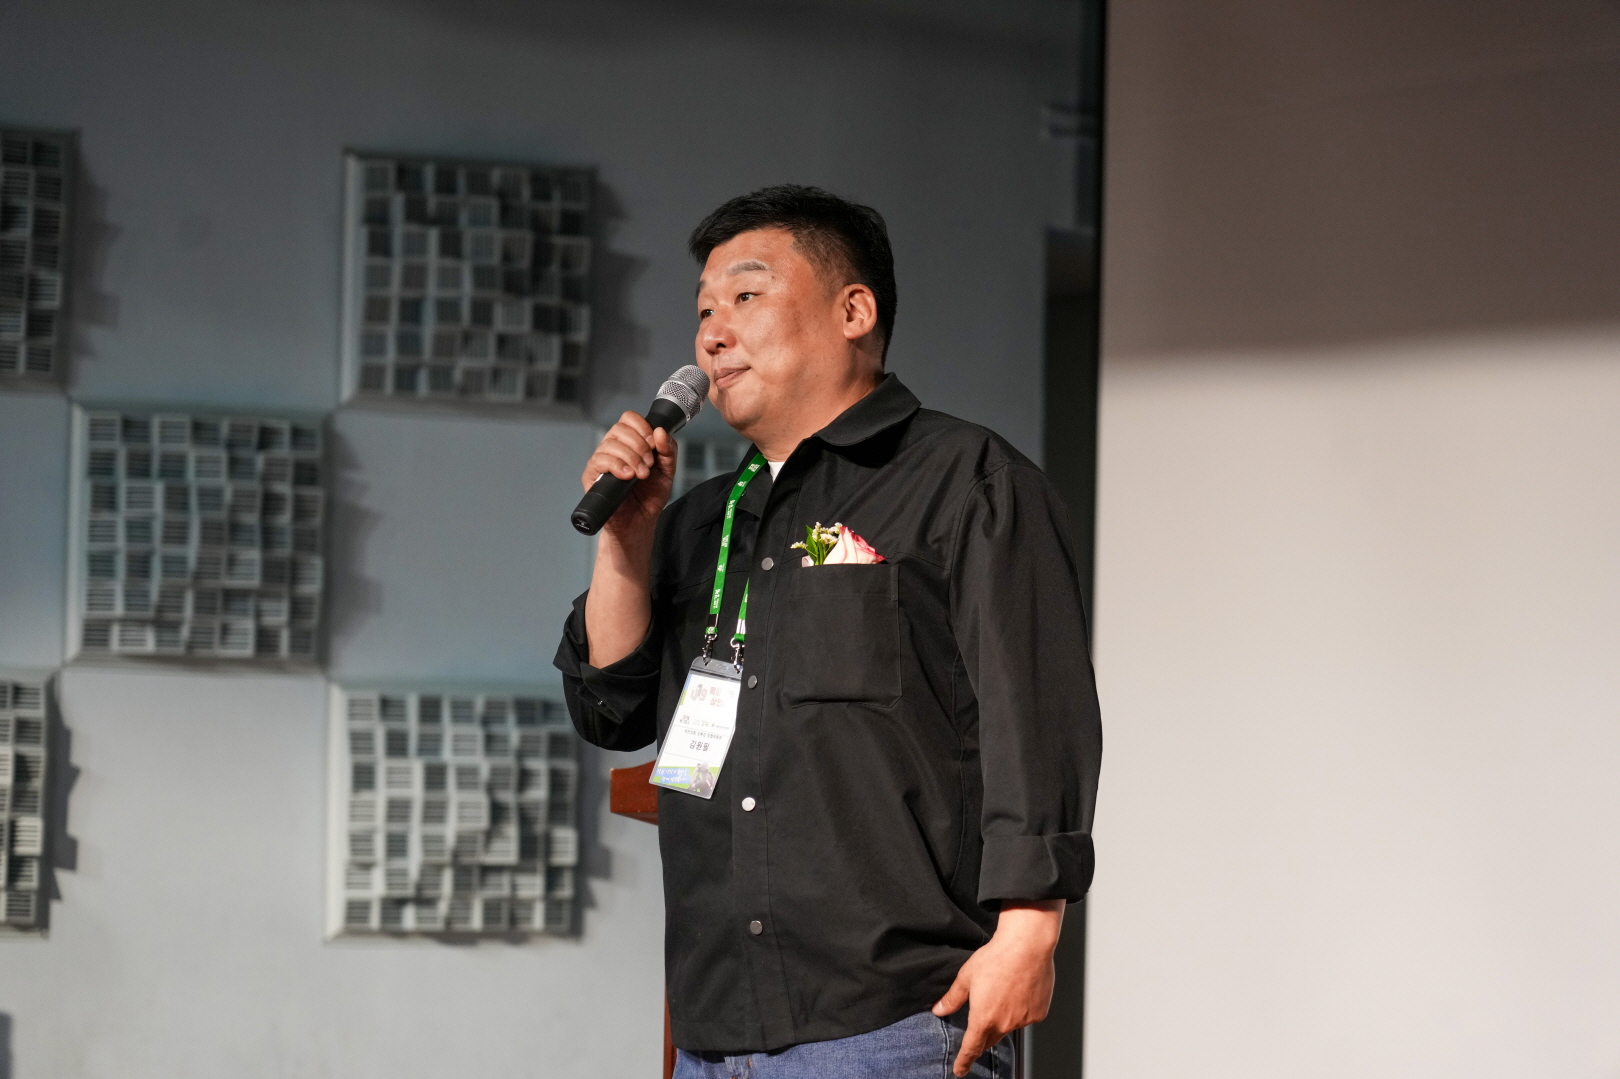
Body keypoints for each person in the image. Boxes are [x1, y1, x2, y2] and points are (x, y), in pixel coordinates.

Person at [554, 185, 1102, 1079]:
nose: (712, 334)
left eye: (746, 295)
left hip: (894, 1023)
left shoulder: (964, 479)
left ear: (854, 312)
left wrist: (1031, 930)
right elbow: (609, 709)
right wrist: (625, 540)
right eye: (703, 310)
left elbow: (1032, 714)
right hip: (712, 1032)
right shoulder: (698, 521)